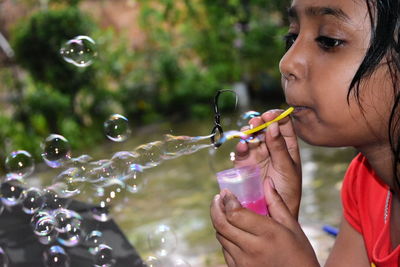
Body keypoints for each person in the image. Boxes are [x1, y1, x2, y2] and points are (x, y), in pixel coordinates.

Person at [210, 0, 400, 266]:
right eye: (292, 37)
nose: (286, 63)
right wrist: (270, 221)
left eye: (328, 40)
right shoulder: (365, 183)